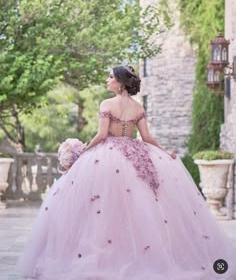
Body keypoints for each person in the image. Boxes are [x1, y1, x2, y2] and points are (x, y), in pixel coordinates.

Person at [17, 65, 236, 280]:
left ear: (120, 83)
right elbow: (147, 137)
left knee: (105, 206)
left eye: (110, 77)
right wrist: (164, 152)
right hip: (136, 153)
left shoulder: (107, 104)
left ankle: (111, 252)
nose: (107, 81)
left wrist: (84, 151)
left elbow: (102, 135)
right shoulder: (138, 107)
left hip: (108, 154)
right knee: (138, 205)